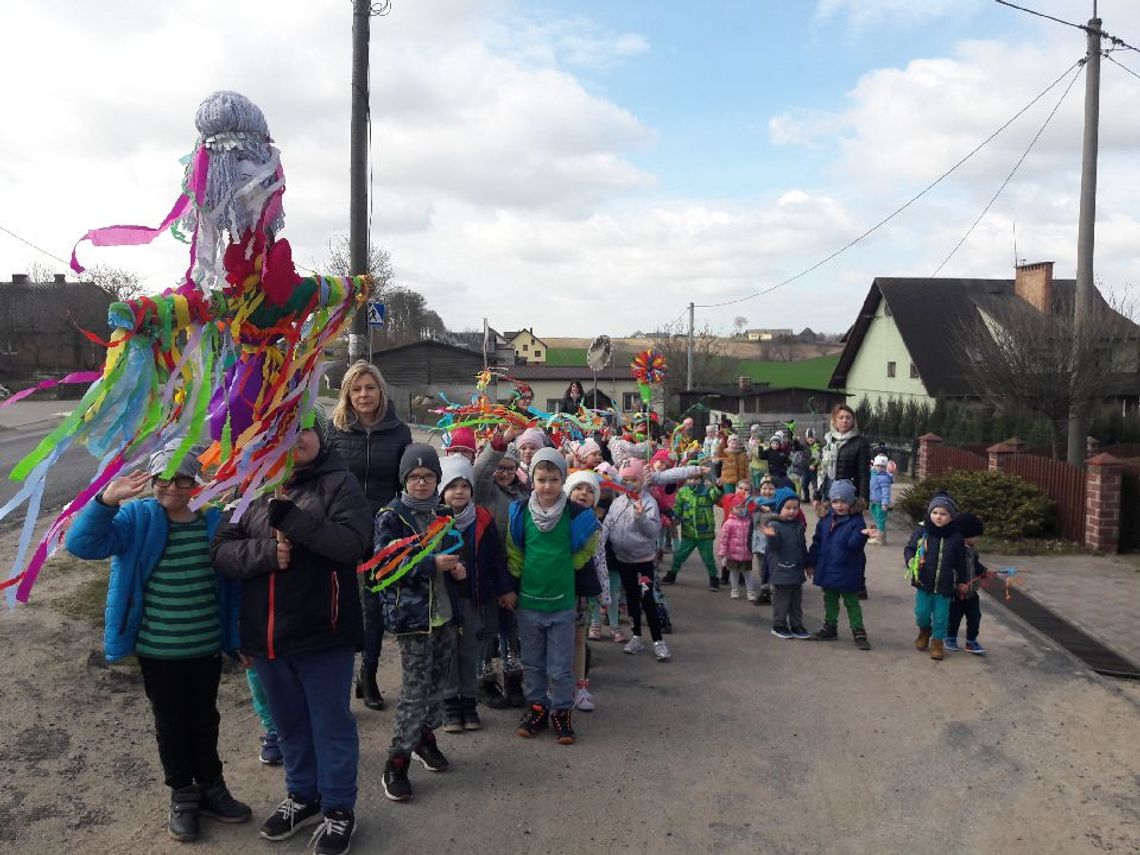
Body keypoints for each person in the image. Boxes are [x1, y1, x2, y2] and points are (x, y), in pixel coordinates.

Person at [66, 444, 250, 844]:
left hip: (205, 646)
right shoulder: (136, 518)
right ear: (151, 480)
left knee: (205, 719)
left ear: (196, 482)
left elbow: (232, 587)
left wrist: (235, 640)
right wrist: (105, 501)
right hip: (158, 650)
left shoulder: (213, 520)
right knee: (171, 724)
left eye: (183, 478)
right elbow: (81, 544)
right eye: (163, 478)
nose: (172, 487)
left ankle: (212, 787)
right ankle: (182, 793)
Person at [212, 409, 372, 854]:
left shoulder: (340, 484)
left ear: (319, 435)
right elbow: (222, 550)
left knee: (330, 724)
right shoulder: (252, 486)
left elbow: (353, 544)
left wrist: (295, 520)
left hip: (324, 629)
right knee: (288, 725)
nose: (292, 439)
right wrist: (266, 552)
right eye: (280, 431)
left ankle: (340, 808)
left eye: (300, 429)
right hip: (266, 637)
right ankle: (304, 795)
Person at [371, 444, 466, 801]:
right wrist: (431, 565)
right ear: (403, 480)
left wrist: (458, 567)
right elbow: (385, 566)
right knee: (414, 692)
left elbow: (455, 549)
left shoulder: (444, 513)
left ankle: (424, 739)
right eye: (414, 477)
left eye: (428, 477)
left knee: (439, 683)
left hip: (443, 615)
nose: (421, 483)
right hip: (413, 619)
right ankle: (396, 763)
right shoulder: (390, 516)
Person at [328, 360, 412, 713]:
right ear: (347, 393)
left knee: (375, 607)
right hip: (342, 529)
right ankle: (338, 683)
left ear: (381, 391)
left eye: (370, 387)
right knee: (340, 606)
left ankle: (370, 674)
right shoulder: (333, 430)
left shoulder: (399, 432)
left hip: (381, 530)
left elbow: (404, 481)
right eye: (356, 388)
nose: (364, 394)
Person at [508, 448, 600, 744]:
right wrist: (517, 581)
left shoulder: (575, 514)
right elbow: (514, 550)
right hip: (529, 602)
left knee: (561, 666)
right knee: (533, 663)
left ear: (564, 479)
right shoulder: (520, 512)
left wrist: (570, 565)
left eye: (554, 479)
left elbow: (590, 542)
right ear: (531, 479)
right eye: (541, 479)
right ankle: (537, 708)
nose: (547, 486)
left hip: (562, 603)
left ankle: (561, 711)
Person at [438, 455, 513, 733]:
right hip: (445, 600)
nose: (459, 491)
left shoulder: (481, 517)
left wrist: (504, 589)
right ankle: (449, 705)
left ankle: (469, 702)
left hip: (473, 598)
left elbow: (495, 558)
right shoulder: (435, 519)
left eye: (465, 485)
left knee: (470, 651)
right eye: (452, 485)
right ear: (442, 490)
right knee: (448, 652)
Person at [472, 430, 527, 708]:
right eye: (500, 467)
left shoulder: (524, 493)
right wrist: (499, 445)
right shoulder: (485, 491)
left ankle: (513, 679)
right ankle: (484, 679)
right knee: (489, 627)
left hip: (517, 571)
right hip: (490, 571)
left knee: (511, 628)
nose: (504, 472)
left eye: (510, 467)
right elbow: (481, 470)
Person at [604, 457, 669, 661]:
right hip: (623, 561)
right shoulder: (617, 502)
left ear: (642, 480)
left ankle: (659, 641)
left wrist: (640, 518)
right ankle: (636, 636)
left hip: (643, 563)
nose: (630, 484)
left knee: (647, 599)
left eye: (634, 479)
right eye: (626, 480)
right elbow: (607, 525)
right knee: (631, 599)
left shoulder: (648, 503)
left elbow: (652, 532)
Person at [806, 479, 874, 650]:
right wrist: (811, 563)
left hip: (847, 569)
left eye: (843, 501)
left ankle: (858, 630)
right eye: (835, 501)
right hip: (828, 568)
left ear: (851, 501)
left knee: (851, 601)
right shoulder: (825, 519)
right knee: (829, 599)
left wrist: (862, 535)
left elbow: (853, 546)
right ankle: (830, 627)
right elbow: (817, 542)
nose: (839, 505)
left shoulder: (856, 522)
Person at [904, 494, 970, 661]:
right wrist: (911, 560)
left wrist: (963, 581)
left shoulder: (956, 537)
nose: (938, 517)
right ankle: (924, 631)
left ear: (951, 517)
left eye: (943, 514)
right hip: (924, 582)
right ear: (929, 513)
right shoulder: (922, 531)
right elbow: (910, 548)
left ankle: (937, 642)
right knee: (922, 613)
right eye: (935, 512)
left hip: (945, 585)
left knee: (941, 617)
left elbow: (961, 562)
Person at [564, 469, 607, 711]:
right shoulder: (558, 518)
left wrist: (604, 593)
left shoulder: (596, 525)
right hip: (559, 584)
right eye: (579, 488)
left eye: (591, 491)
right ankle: (557, 685)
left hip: (582, 587)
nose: (584, 493)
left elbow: (600, 559)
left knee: (579, 638)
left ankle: (580, 687)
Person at [761, 488, 810, 639]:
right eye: (787, 508)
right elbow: (774, 548)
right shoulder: (774, 526)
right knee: (782, 599)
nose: (792, 511)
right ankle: (779, 624)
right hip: (781, 569)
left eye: (795, 508)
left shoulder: (798, 526)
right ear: (779, 508)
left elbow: (802, 547)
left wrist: (807, 563)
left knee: (796, 600)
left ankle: (796, 624)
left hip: (796, 569)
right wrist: (772, 537)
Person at [667, 470, 723, 589]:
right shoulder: (682, 492)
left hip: (705, 533)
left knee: (708, 558)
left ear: (701, 479)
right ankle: (672, 574)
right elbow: (678, 508)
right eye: (690, 478)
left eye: (696, 478)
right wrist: (674, 517)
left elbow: (716, 495)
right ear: (686, 479)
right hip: (688, 532)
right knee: (679, 555)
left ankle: (714, 578)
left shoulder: (707, 491)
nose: (693, 481)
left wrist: (718, 486)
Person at [946, 512, 988, 655]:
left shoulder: (972, 551)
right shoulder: (954, 549)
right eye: (977, 535)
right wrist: (957, 585)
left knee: (975, 617)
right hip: (957, 593)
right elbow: (950, 570)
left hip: (971, 593)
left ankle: (971, 640)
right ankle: (950, 637)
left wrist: (983, 571)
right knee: (954, 617)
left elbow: (975, 564)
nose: (978, 538)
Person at [716, 494, 754, 601]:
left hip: (747, 553)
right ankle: (735, 590)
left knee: (748, 573)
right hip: (732, 554)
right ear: (732, 509)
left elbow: (752, 537)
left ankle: (750, 591)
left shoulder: (749, 522)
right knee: (734, 573)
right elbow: (724, 539)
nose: (741, 510)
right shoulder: (729, 523)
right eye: (737, 507)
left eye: (743, 507)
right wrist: (722, 553)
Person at [749, 477, 777, 604]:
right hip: (759, 540)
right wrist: (760, 506)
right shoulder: (755, 503)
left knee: (774, 564)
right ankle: (764, 585)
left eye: (771, 488)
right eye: (765, 488)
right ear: (759, 490)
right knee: (761, 565)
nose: (768, 491)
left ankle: (775, 586)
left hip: (773, 540)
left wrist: (769, 511)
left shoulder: (779, 503)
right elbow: (747, 503)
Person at [868, 454, 894, 545]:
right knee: (876, 518)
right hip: (873, 501)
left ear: (885, 467)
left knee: (880, 520)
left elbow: (886, 493)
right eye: (877, 466)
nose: (879, 468)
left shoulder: (884, 478)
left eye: (882, 466)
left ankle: (880, 539)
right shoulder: (873, 474)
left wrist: (885, 503)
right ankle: (877, 535)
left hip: (880, 502)